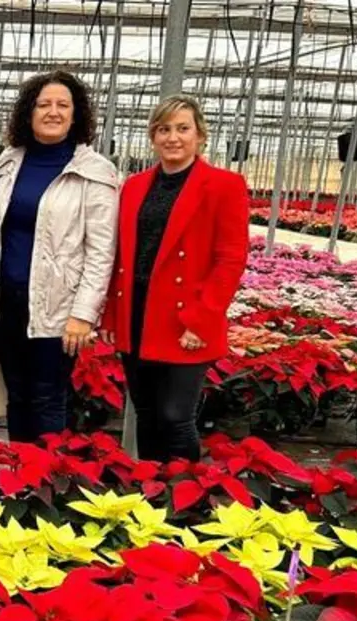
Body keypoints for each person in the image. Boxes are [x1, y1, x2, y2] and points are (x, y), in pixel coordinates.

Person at [100, 95, 249, 462]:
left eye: (183, 129)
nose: (173, 138)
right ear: (153, 136)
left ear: (200, 136)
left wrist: (201, 318)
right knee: (146, 413)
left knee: (175, 416)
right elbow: (121, 255)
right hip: (138, 312)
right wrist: (112, 315)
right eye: (163, 129)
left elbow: (230, 260)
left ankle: (185, 490)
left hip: (186, 315)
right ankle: (152, 488)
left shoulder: (224, 185)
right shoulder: (134, 186)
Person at [0, 70, 117, 443]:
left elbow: (101, 250)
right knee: (16, 394)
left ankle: (45, 472)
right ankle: (19, 468)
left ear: (76, 115)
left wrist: (83, 314)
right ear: (28, 112)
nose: (53, 112)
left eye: (63, 105)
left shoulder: (94, 171)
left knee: (47, 397)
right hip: (7, 304)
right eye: (43, 104)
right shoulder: (9, 162)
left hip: (58, 309)